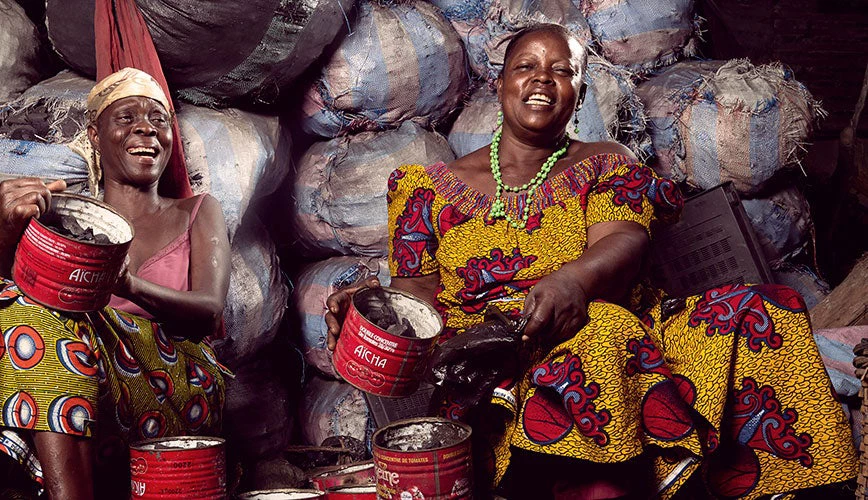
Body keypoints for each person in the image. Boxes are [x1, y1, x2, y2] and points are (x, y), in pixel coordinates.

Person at [326, 23, 857, 499]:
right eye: (526, 67)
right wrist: (369, 312)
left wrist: (573, 280)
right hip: (486, 347)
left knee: (764, 311)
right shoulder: (426, 188)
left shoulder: (603, 163)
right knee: (601, 335)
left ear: (578, 94)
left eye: (563, 71)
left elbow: (623, 239)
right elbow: (416, 298)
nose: (543, 79)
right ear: (500, 84)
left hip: (598, 315)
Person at [0, 67, 231, 500]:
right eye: (126, 118)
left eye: (158, 119)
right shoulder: (71, 218)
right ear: (95, 136)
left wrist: (129, 285)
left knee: (44, 324)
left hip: (175, 378)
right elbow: (21, 299)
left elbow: (209, 310)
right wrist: (3, 242)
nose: (146, 128)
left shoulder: (196, 211)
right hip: (73, 369)